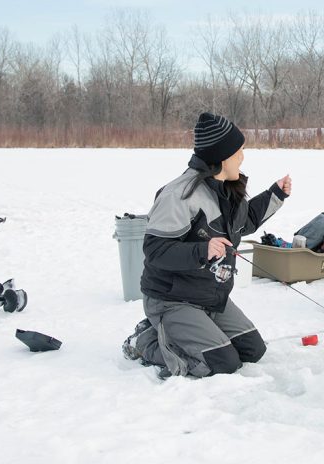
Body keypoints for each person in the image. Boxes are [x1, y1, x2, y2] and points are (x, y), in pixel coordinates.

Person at [121, 112, 292, 379]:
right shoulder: (179, 195)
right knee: (222, 363)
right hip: (172, 299)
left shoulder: (226, 187)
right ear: (222, 157)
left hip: (210, 298)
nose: (242, 157)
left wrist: (276, 195)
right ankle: (144, 342)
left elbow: (243, 223)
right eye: (238, 151)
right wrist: (203, 250)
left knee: (252, 350)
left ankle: (189, 329)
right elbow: (155, 251)